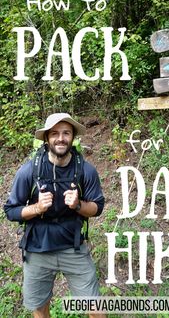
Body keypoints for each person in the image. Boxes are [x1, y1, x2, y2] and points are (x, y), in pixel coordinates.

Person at [4, 113, 106, 318]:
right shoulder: (28, 172)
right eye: (55, 133)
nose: (61, 138)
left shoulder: (85, 170)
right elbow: (11, 211)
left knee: (96, 309)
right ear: (46, 138)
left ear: (73, 137)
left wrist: (78, 205)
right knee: (40, 308)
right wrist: (37, 208)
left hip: (74, 247)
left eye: (66, 133)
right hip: (37, 250)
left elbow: (98, 207)